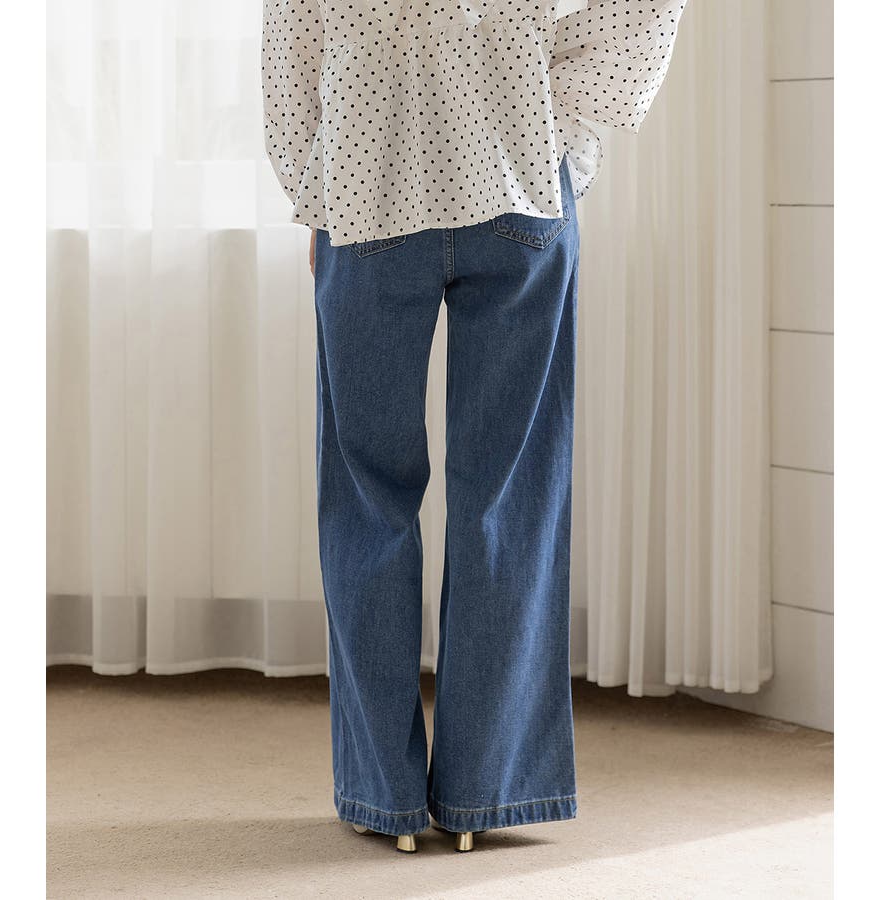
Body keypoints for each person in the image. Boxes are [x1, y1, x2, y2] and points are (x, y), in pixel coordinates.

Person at [262, 0, 687, 853]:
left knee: (367, 498)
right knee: (509, 495)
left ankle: (382, 797)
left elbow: (291, 59)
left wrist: (315, 195)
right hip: (516, 179)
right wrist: (549, 113)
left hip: (367, 184)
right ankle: (486, 793)